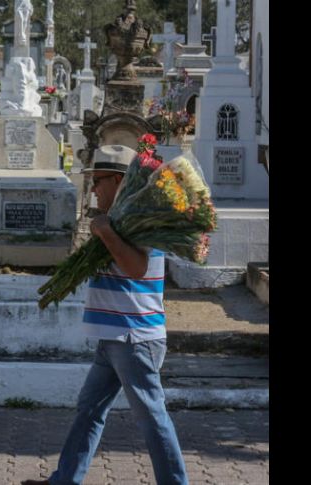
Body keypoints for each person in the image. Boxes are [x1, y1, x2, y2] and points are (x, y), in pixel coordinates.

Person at [21, 145, 189, 485]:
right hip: (113, 336)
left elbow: (137, 268)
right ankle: (65, 480)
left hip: (134, 337)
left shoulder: (140, 220)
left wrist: (107, 233)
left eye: (98, 181)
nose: (94, 189)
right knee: (90, 409)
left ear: (118, 180)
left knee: (152, 416)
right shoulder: (121, 218)